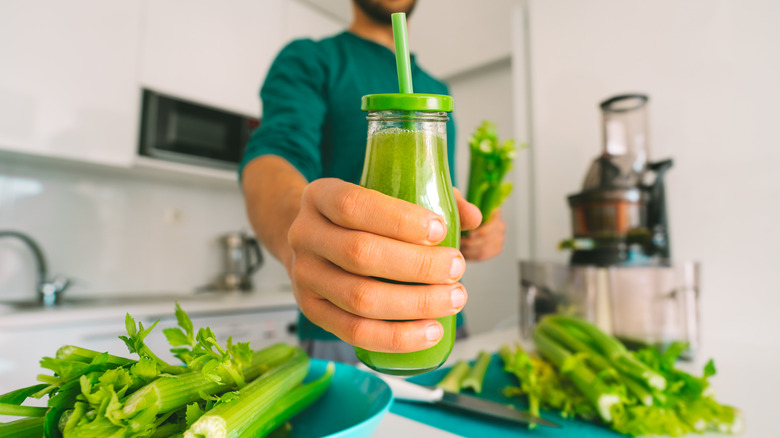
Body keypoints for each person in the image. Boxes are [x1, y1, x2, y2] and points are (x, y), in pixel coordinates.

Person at [240, 0, 507, 363]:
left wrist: (477, 232)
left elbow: (437, 201)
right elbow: (274, 154)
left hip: (441, 319)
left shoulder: (435, 89)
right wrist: (297, 240)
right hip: (344, 323)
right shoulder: (312, 59)